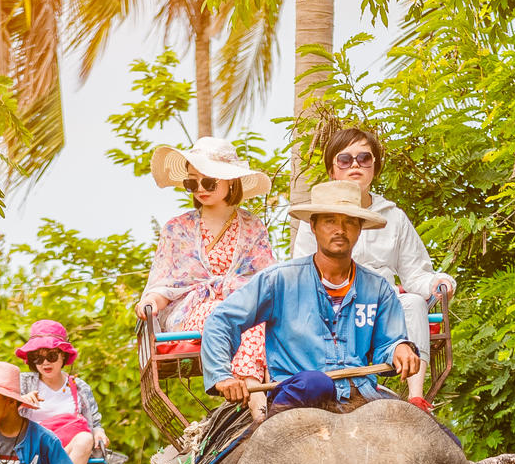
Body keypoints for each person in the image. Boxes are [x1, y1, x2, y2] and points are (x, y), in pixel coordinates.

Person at [201, 181, 418, 407]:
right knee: (315, 382)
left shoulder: (378, 288)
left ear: (360, 228)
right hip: (297, 394)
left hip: (360, 391)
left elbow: (389, 342)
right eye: (330, 221)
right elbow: (221, 320)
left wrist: (399, 348)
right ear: (313, 226)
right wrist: (222, 375)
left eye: (350, 222)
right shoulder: (279, 280)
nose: (340, 230)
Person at [296, 126, 454, 407]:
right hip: (332, 305)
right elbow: (302, 274)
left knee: (414, 303)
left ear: (374, 168)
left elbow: (415, 272)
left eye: (364, 158)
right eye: (345, 159)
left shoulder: (393, 216)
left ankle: (416, 396)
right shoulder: (316, 216)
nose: (355, 165)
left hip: (382, 303)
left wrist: (436, 283)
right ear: (333, 170)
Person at [136, 136, 275, 384]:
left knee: (253, 319)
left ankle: (255, 396)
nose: (200, 189)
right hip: (194, 313)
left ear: (231, 181)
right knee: (226, 314)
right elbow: (165, 285)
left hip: (245, 307)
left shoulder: (253, 226)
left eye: (209, 181)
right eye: (192, 183)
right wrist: (149, 301)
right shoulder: (176, 228)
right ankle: (246, 392)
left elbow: (267, 280)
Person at [15, 320, 107, 464]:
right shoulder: (22, 383)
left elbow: (95, 424)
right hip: (32, 454)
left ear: (63, 355)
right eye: (37, 357)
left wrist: (98, 432)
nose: (45, 363)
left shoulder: (80, 387)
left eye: (51, 356)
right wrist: (19, 403)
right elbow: (1, 416)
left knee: (85, 438)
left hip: (70, 453)